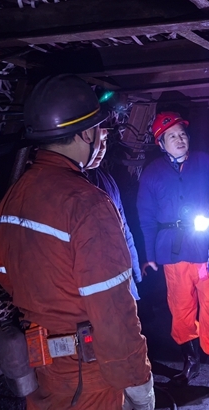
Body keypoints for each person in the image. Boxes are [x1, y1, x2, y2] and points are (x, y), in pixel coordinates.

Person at [0, 75, 154, 410]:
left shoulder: (9, 202)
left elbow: (5, 276)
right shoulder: (87, 204)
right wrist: (139, 384)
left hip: (41, 370)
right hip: (90, 376)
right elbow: (112, 310)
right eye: (98, 129)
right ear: (86, 133)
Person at [136, 111, 209, 406]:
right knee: (181, 311)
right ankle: (191, 363)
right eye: (171, 136)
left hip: (208, 252)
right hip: (172, 253)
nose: (179, 139)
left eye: (182, 133)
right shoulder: (152, 173)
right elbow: (146, 216)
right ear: (161, 143)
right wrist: (149, 254)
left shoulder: (208, 163)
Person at [87, 128, 142, 300]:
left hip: (122, 279)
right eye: (97, 141)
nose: (101, 148)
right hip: (95, 286)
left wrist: (135, 271)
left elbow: (124, 229)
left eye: (105, 141)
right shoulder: (69, 186)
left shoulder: (106, 180)